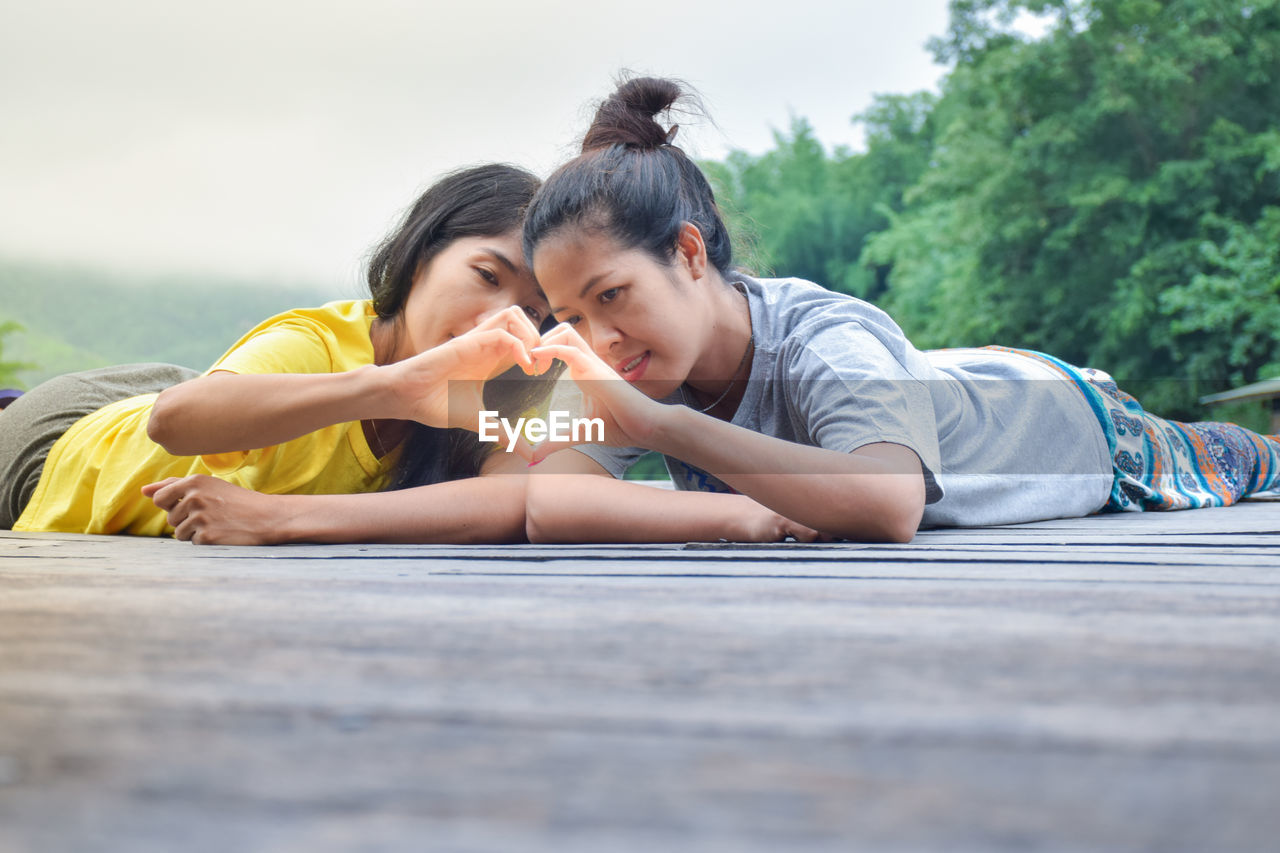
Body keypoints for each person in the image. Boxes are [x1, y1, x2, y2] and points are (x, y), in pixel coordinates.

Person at [518, 76, 1280, 543]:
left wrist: (663, 427)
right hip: (942, 381)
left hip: (1070, 427)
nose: (599, 337)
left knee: (1251, 460)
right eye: (571, 317)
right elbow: (551, 501)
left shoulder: (823, 339)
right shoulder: (635, 361)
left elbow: (887, 501)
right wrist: (736, 515)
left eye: (611, 295)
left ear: (687, 255)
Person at [1, 163, 552, 542]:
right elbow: (173, 421)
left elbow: (508, 503)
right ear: (419, 259)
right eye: (486, 275)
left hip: (215, 399)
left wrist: (279, 518)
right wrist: (394, 389)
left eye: (536, 313)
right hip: (62, 444)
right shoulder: (320, 342)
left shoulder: (498, 393)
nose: (501, 321)